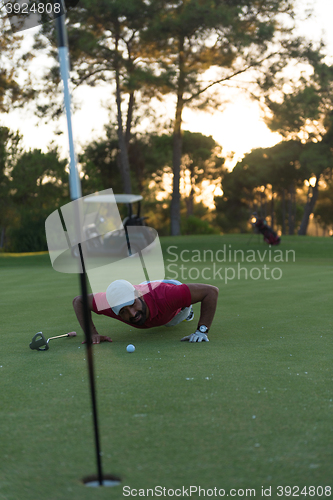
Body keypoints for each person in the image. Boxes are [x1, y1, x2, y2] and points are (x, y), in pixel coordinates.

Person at [70, 279, 219, 344]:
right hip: (145, 289)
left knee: (170, 322)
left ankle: (188, 309)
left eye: (132, 304)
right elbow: (79, 300)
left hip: (169, 291)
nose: (132, 314)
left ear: (137, 296)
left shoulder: (167, 296)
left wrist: (202, 330)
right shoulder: (108, 305)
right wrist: (92, 333)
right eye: (123, 311)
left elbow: (211, 291)